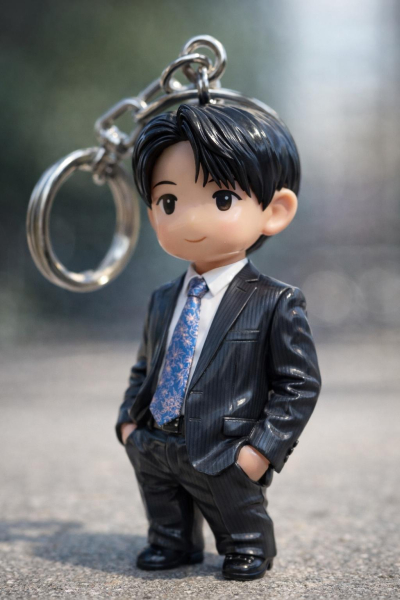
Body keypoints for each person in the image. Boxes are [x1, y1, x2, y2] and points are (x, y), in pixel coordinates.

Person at [115, 103, 322, 581]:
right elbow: (146, 366)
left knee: (237, 513)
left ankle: (247, 547)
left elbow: (298, 385)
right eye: (170, 202)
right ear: (153, 213)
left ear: (274, 211)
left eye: (222, 198)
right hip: (155, 437)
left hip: (228, 445)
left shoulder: (275, 301)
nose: (190, 220)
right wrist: (129, 423)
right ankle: (171, 541)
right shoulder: (163, 298)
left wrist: (260, 450)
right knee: (163, 504)